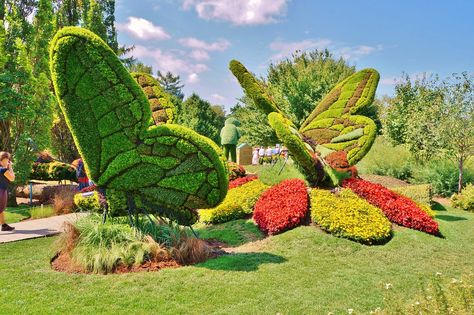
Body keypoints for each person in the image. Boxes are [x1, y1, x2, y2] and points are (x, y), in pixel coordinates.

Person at [0, 151, 15, 231]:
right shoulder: (3, 170)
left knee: (0, 209)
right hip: (1, 192)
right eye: (6, 159)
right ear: (1, 160)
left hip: (2, 190)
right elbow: (12, 178)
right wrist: (10, 167)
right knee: (0, 209)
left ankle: (4, 225)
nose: (8, 161)